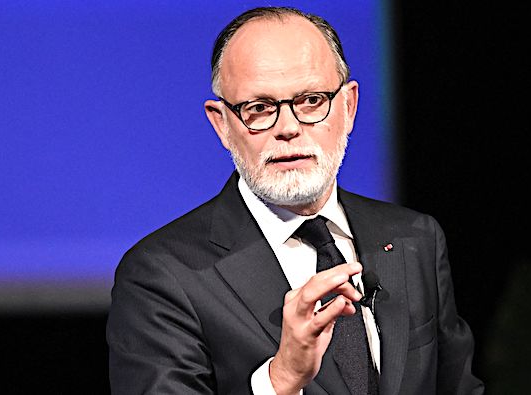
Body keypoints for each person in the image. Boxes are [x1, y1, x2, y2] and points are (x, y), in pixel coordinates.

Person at [107, 6, 483, 395]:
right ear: (222, 124)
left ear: (349, 107)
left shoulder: (416, 238)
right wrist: (281, 380)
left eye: (311, 101)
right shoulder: (162, 275)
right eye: (259, 108)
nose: (287, 128)